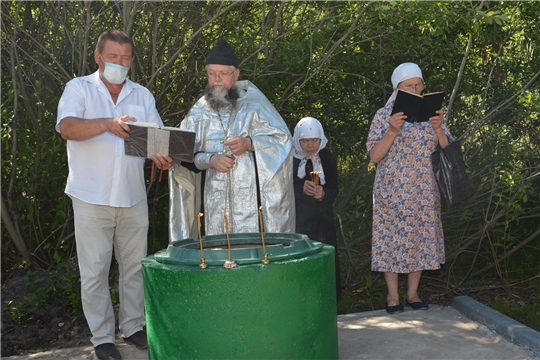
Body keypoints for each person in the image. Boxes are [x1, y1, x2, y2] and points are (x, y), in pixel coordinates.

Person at [56, 30, 173, 360]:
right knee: (93, 272)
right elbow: (67, 128)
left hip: (133, 195)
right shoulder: (79, 88)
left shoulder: (142, 95)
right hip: (90, 197)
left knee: (134, 267)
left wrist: (162, 155)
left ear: (132, 60)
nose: (119, 64)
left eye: (125, 59)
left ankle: (133, 326)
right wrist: (107, 123)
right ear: (97, 56)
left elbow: (159, 140)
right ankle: (103, 337)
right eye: (112, 57)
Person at [169, 38, 295, 240]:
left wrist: (250, 143)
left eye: (223, 74)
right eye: (212, 73)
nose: (217, 79)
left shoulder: (256, 105)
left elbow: (283, 141)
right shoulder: (198, 111)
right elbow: (181, 156)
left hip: (254, 208)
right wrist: (210, 160)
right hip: (209, 208)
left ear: (236, 74)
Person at [366, 62, 452, 314]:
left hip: (425, 189)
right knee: (390, 239)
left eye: (418, 85)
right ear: (398, 89)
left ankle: (413, 294)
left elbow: (448, 151)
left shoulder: (433, 114)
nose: (415, 89)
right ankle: (393, 297)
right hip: (392, 190)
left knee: (420, 239)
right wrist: (393, 130)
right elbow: (374, 156)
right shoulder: (383, 115)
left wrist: (438, 128)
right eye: (408, 86)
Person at [292, 117, 341, 302]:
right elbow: (281, 188)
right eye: (305, 141)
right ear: (298, 139)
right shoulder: (290, 158)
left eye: (315, 140)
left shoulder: (326, 158)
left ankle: (327, 301)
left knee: (324, 259)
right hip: (298, 220)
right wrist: (300, 188)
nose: (310, 145)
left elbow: (334, 190)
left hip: (323, 222)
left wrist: (323, 194)